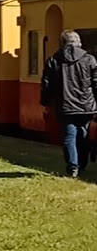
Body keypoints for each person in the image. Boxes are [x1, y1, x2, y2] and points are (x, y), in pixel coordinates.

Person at [41, 29, 97, 178]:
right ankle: (82, 164)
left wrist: (46, 103)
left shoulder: (54, 60)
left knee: (69, 135)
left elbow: (47, 85)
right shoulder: (89, 59)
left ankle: (73, 167)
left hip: (64, 105)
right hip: (86, 106)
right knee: (83, 134)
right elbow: (95, 83)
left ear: (62, 43)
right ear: (78, 42)